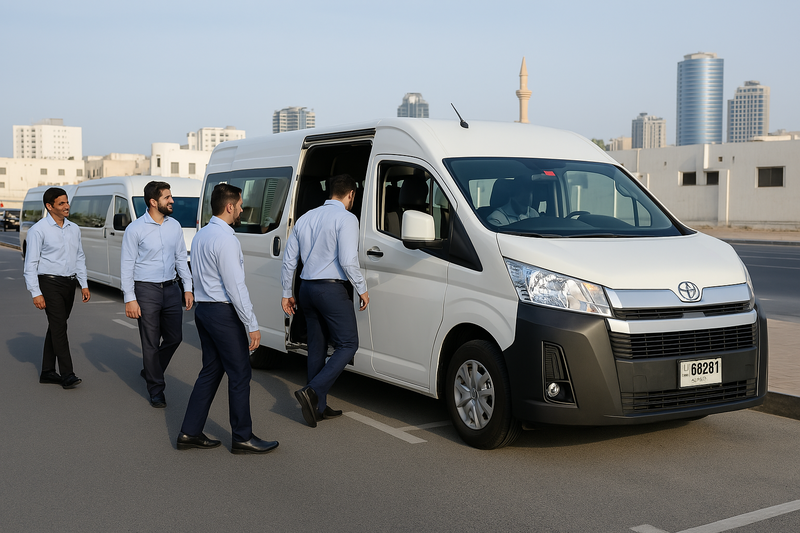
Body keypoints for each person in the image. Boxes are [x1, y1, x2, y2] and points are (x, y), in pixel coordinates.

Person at [178, 183, 278, 454]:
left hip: (205, 311)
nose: (243, 209)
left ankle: (190, 431)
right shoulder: (226, 239)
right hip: (222, 313)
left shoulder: (201, 235)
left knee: (210, 371)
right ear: (229, 206)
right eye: (241, 204)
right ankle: (243, 437)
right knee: (240, 373)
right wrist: (252, 325)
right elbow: (235, 286)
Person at [281, 174, 369, 428]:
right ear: (351, 194)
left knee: (317, 348)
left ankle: (317, 406)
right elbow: (348, 260)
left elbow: (289, 261)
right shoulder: (346, 218)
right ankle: (312, 391)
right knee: (349, 343)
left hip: (307, 288)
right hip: (330, 290)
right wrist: (361, 289)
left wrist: (288, 292)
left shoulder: (306, 218)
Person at [121, 181, 193, 409]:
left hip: (171, 289)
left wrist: (188, 287)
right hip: (146, 290)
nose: (172, 201)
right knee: (150, 342)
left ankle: (150, 369)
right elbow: (127, 265)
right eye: (167, 197)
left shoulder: (175, 226)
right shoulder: (135, 229)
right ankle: (156, 389)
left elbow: (181, 257)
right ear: (153, 202)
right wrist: (130, 298)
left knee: (175, 338)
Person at [23, 187, 91, 389]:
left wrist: (83, 284)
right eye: (61, 203)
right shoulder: (38, 230)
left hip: (69, 283)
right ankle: (67, 374)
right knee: (60, 327)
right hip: (49, 283)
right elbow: (30, 265)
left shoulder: (74, 228)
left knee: (56, 326)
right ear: (49, 206)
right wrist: (36, 293)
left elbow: (79, 257)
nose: (67, 206)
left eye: (67, 202)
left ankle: (47, 371)